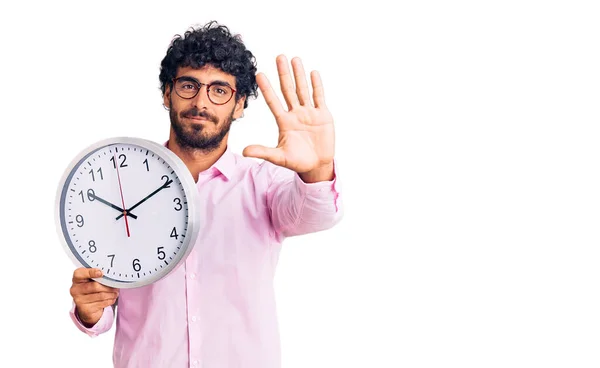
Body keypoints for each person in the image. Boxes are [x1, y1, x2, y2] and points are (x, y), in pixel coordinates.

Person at [68, 20, 343, 368]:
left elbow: (316, 214)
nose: (201, 102)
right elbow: (103, 300)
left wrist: (316, 168)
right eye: (188, 85)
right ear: (167, 93)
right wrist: (89, 309)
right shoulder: (120, 185)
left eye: (219, 90)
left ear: (239, 104)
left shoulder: (264, 183)